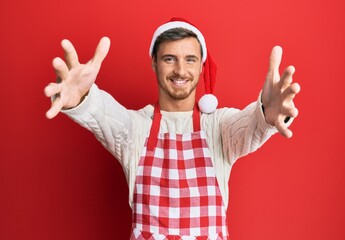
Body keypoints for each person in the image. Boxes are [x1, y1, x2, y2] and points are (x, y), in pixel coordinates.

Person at [44, 17, 300, 240]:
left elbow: (251, 126)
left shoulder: (219, 127)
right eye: (169, 59)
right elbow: (102, 113)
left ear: (201, 66)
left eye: (190, 59)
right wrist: (82, 96)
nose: (180, 70)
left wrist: (267, 112)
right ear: (154, 63)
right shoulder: (135, 129)